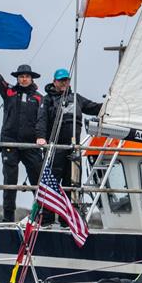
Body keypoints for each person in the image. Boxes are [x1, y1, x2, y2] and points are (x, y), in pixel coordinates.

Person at [0, 45, 43, 222]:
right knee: (10, 183)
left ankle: (42, 218)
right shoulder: (9, 92)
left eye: (27, 76)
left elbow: (45, 122)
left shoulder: (39, 98)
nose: (23, 79)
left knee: (38, 182)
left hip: (31, 145)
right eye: (21, 76)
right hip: (10, 144)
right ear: (18, 78)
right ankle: (8, 220)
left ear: (31, 79)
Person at [35, 68, 102, 222]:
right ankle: (47, 219)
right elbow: (41, 120)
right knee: (51, 182)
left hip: (73, 149)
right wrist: (40, 137)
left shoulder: (77, 98)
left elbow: (94, 107)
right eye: (61, 80)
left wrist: (110, 105)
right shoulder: (47, 100)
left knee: (71, 184)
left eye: (66, 80)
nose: (64, 83)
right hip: (56, 147)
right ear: (55, 82)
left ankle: (68, 220)